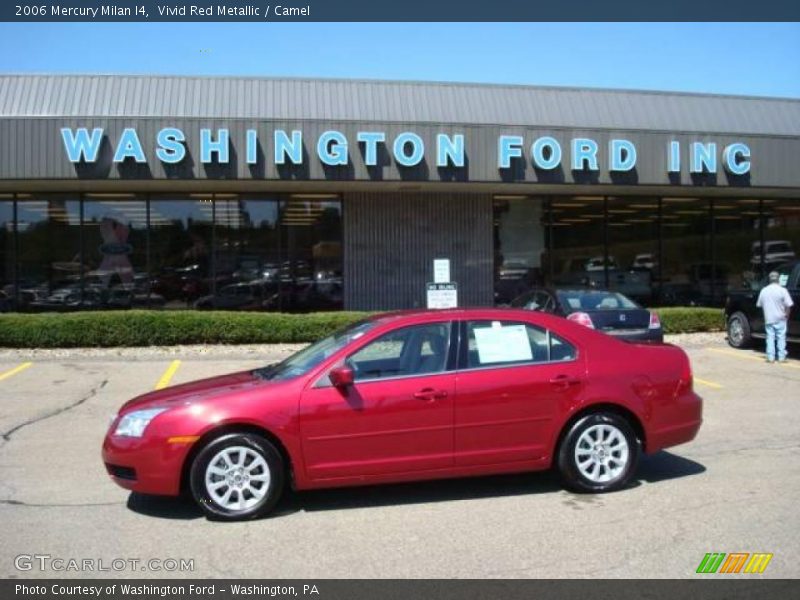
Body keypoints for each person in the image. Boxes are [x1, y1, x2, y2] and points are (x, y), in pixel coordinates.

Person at [756, 271, 794, 363]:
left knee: (770, 338)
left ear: (769, 279)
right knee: (781, 338)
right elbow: (789, 305)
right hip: (781, 317)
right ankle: (781, 357)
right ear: (778, 279)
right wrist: (787, 316)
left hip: (769, 318)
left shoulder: (764, 290)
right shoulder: (783, 290)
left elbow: (759, 305)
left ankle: (770, 357)